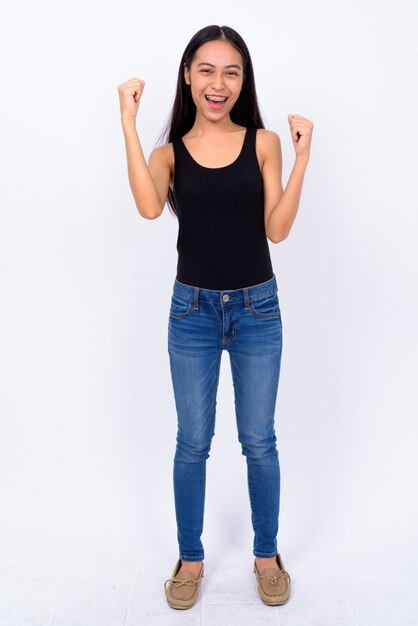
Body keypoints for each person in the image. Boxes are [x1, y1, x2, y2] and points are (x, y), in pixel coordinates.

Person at [117, 24, 313, 610]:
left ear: (243, 80)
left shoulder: (264, 142)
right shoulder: (169, 153)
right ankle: (190, 559)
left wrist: (303, 159)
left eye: (231, 72)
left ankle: (266, 555)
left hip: (257, 308)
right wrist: (127, 121)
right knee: (192, 442)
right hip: (193, 310)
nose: (218, 83)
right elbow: (150, 208)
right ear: (187, 76)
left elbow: (276, 229)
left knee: (259, 441)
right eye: (207, 70)